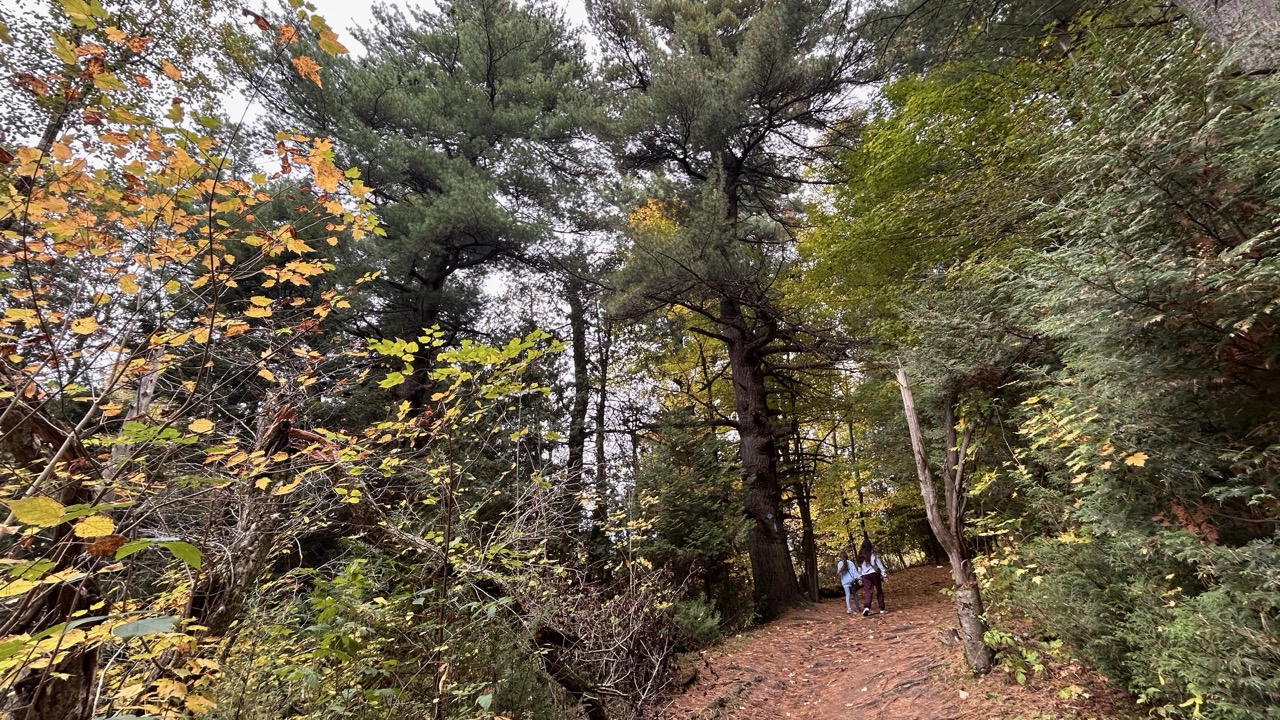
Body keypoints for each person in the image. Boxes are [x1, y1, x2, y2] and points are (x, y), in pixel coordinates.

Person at [856, 540, 888, 616]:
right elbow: (879, 564)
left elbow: (859, 567)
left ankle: (866, 607)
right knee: (879, 590)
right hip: (874, 574)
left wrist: (859, 577)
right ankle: (882, 608)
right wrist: (884, 574)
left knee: (868, 591)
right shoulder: (873, 553)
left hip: (865, 575)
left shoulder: (860, 555)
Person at [836, 550, 861, 614]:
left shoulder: (839, 564)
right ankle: (858, 608)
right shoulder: (850, 563)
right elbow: (854, 572)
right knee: (854, 594)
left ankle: (849, 609)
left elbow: (840, 573)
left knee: (847, 595)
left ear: (840, 557)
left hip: (844, 582)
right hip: (851, 581)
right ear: (846, 556)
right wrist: (858, 578)